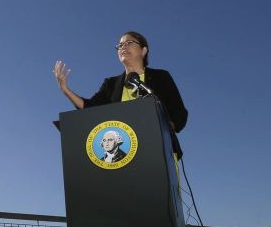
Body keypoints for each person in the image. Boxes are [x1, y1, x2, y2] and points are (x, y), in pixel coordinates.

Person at [54, 30, 188, 157]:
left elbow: (179, 113)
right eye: (120, 45)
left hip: (159, 152)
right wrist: (66, 90)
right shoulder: (111, 84)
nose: (123, 46)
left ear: (143, 50)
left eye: (130, 43)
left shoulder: (161, 77)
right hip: (124, 157)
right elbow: (90, 109)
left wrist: (162, 129)